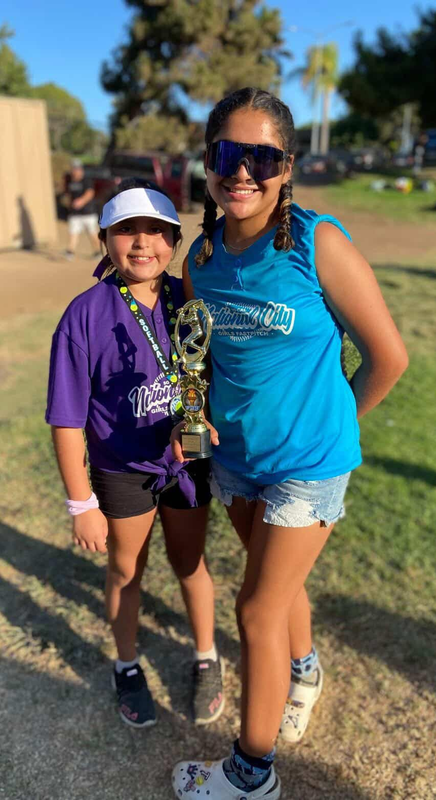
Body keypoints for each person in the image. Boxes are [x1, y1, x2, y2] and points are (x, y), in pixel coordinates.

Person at [171, 88, 408, 799]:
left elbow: (387, 356)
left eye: (261, 156)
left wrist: (335, 428)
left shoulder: (317, 241)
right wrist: (193, 414)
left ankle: (251, 776)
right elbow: (196, 354)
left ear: (287, 165)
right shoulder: (201, 258)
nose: (242, 172)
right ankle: (303, 672)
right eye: (226, 155)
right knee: (277, 588)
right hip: (238, 461)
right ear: (207, 161)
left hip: (307, 466)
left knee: (255, 610)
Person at [46, 179, 224, 729]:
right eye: (127, 229)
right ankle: (126, 664)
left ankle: (206, 656)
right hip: (122, 467)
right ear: (103, 239)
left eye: (156, 231)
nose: (142, 242)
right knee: (127, 569)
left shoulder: (188, 300)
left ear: (174, 242)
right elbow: (66, 417)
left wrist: (203, 423)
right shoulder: (85, 314)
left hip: (186, 461)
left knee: (189, 563)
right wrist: (82, 503)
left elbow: (208, 379)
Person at [62, 159, 101, 260]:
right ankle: (70, 251)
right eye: (73, 169)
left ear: (81, 170)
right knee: (73, 232)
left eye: (77, 169)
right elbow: (68, 194)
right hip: (75, 213)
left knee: (93, 234)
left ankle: (98, 252)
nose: (75, 171)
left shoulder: (86, 180)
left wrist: (81, 201)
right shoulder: (69, 181)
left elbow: (90, 193)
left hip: (88, 212)